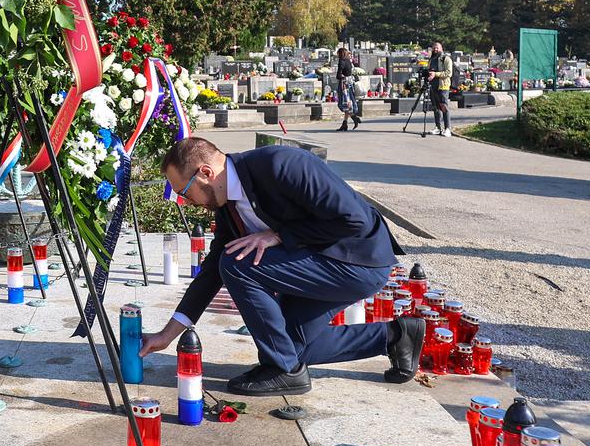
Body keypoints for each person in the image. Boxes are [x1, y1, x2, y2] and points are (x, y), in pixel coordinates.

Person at [139, 136, 422, 397]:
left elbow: (355, 220)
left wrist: (279, 235)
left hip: (357, 262)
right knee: (290, 345)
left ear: (205, 173)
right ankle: (396, 336)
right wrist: (167, 334)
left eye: (184, 192)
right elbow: (211, 272)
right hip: (321, 266)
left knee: (237, 262)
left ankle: (285, 371)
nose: (187, 203)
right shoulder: (227, 205)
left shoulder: (280, 164)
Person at [428, 42, 453, 136]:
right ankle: (438, 127)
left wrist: (436, 74)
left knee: (444, 107)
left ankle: (447, 129)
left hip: (443, 86)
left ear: (441, 48)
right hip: (433, 86)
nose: (435, 49)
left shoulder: (446, 59)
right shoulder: (431, 59)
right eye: (434, 48)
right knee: (435, 108)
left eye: (437, 48)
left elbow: (449, 73)